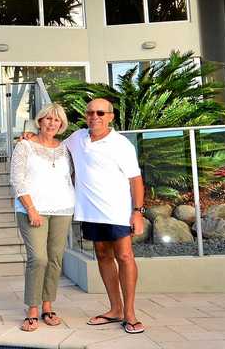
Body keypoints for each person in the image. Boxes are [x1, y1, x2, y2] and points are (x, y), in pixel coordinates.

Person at [64, 97, 145, 334]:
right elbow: (53, 143)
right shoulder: (77, 138)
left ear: (110, 117)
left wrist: (137, 212)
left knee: (125, 256)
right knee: (102, 255)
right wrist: (31, 137)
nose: (94, 117)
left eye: (100, 113)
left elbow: (136, 180)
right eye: (90, 113)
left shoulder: (121, 145)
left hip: (117, 211)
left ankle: (129, 314)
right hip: (90, 211)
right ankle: (115, 309)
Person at [9, 102, 74, 332]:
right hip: (32, 209)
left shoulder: (66, 148)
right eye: (48, 118)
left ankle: (48, 306)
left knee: (55, 259)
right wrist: (31, 209)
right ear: (40, 121)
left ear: (62, 124)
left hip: (63, 209)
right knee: (38, 259)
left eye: (56, 120)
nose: (52, 123)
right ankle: (32, 308)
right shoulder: (25, 145)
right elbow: (17, 180)